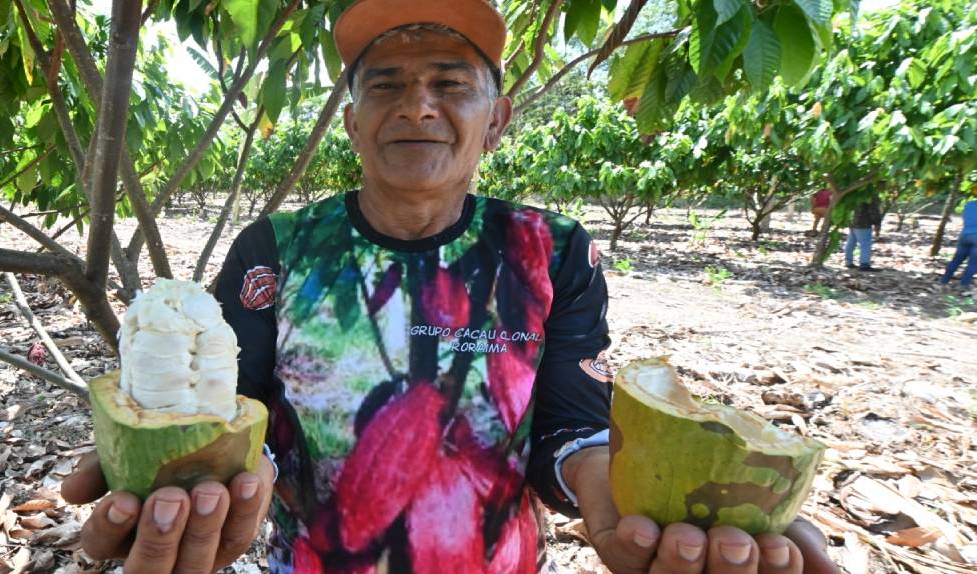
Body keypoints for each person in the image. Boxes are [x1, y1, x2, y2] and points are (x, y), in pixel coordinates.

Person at [62, 1, 842, 572]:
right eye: (387, 85)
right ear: (351, 118)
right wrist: (199, 478)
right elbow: (241, 410)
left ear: (496, 118)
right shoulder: (279, 249)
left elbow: (570, 426)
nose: (418, 105)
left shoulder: (552, 251)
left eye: (449, 82)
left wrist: (621, 499)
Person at [940, 197, 977, 290]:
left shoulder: (970, 204)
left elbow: (965, 218)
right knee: (973, 264)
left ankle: (944, 281)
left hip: (965, 235)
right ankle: (963, 285)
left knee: (956, 260)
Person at [845, 192, 882, 270]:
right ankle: (864, 264)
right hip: (864, 224)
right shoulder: (871, 196)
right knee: (865, 244)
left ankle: (848, 262)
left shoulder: (856, 194)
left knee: (851, 243)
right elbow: (874, 211)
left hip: (853, 222)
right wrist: (877, 223)